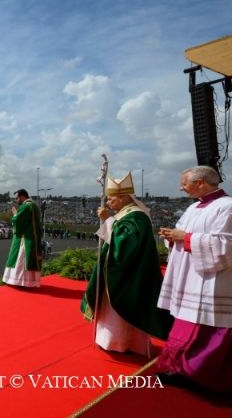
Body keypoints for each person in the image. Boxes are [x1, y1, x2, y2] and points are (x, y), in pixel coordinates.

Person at [156, 165, 232, 392]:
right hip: (189, 278)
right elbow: (180, 232)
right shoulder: (192, 208)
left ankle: (203, 376)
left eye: (184, 184)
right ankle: (179, 369)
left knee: (209, 328)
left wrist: (186, 238)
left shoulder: (227, 207)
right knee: (185, 324)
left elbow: (227, 245)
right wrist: (171, 237)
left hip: (213, 282)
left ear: (200, 182)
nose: (181, 188)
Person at [80, 171, 173, 356]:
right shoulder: (126, 213)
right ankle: (114, 341)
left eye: (111, 199)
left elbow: (126, 241)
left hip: (128, 274)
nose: (108, 202)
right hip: (119, 269)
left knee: (120, 308)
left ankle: (119, 342)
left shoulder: (137, 215)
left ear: (123, 197)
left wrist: (108, 219)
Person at [2, 189, 43, 288]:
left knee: (21, 260)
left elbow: (18, 221)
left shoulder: (26, 206)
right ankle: (30, 282)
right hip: (32, 238)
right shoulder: (34, 206)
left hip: (25, 239)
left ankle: (20, 282)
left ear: (22, 196)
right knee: (26, 261)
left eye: (17, 198)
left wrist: (15, 214)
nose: (16, 200)